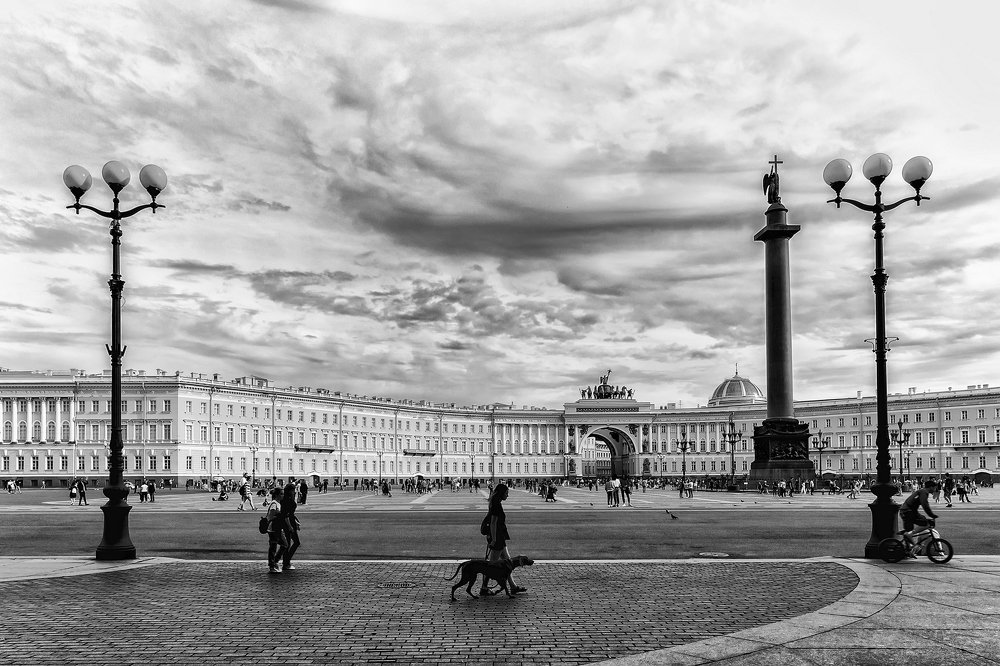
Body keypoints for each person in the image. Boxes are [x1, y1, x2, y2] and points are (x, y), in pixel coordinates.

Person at [481, 483, 526, 596]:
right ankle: (484, 588)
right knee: (491, 566)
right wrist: (494, 539)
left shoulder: (495, 501)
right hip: (497, 538)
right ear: (501, 493)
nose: (508, 495)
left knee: (508, 563)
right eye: (506, 493)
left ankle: (513, 586)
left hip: (499, 536)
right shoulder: (496, 504)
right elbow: (493, 523)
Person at [899, 479, 940, 556]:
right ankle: (910, 535)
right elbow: (925, 505)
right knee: (926, 523)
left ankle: (908, 549)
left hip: (906, 511)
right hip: (908, 512)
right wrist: (932, 515)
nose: (935, 489)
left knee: (909, 530)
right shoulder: (924, 492)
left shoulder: (922, 491)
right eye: (934, 488)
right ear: (931, 487)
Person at [264, 488, 287, 573]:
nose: (283, 495)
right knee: (275, 547)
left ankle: (274, 562)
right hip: (273, 528)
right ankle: (272, 565)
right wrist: (279, 515)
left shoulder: (278, 503)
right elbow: (270, 517)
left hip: (277, 528)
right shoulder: (274, 504)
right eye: (281, 494)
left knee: (283, 545)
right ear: (277, 495)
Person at [280, 481, 301, 571]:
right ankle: (286, 563)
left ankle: (286, 562)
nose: (295, 491)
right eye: (293, 490)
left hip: (290, 522)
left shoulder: (288, 499)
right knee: (293, 543)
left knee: (289, 543)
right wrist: (290, 526)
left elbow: (291, 513)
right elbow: (286, 515)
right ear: (290, 491)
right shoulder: (287, 500)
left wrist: (295, 521)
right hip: (288, 523)